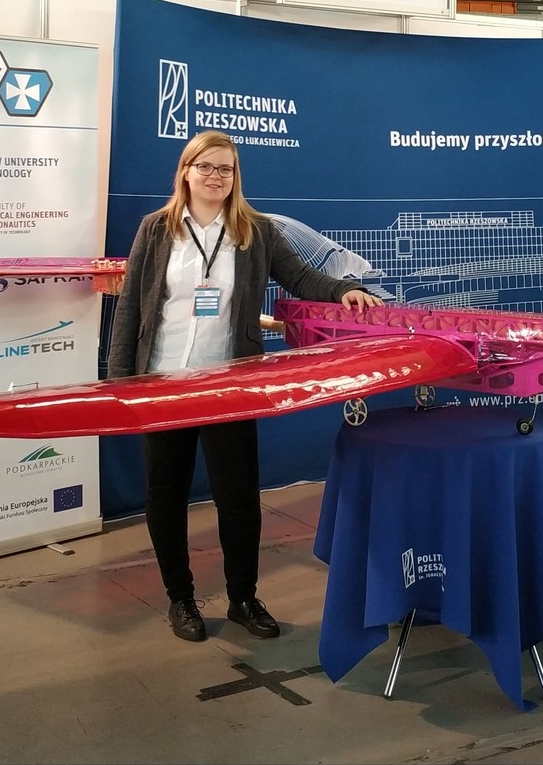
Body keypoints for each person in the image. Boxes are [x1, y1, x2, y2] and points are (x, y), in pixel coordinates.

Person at [107, 131, 382, 641]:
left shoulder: (255, 231)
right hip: (163, 382)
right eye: (206, 167)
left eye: (226, 169)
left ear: (235, 177)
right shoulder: (155, 229)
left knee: (237, 498)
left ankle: (243, 598)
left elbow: (303, 278)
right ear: (185, 171)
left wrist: (346, 289)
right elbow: (130, 308)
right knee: (165, 495)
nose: (216, 177)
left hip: (230, 385)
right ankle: (181, 599)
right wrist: (120, 384)